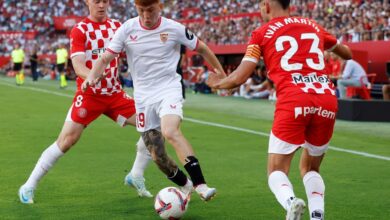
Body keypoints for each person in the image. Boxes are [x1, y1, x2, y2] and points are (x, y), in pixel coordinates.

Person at [207, 0, 352, 219]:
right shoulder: (313, 25)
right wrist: (328, 45)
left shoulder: (261, 33)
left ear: (266, 5)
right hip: (326, 99)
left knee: (276, 170)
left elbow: (239, 77)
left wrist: (216, 82)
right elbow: (347, 53)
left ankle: (291, 202)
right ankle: (317, 214)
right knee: (311, 168)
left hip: (294, 99)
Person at [82, 0, 225, 201]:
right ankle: (186, 186)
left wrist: (221, 73)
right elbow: (105, 58)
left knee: (170, 130)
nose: (146, 16)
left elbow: (202, 48)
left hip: (168, 89)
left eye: (150, 10)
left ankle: (201, 185)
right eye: (141, 11)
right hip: (142, 98)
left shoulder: (174, 28)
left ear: (160, 7)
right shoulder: (127, 29)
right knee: (158, 156)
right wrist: (91, 76)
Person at [18, 0, 153, 204]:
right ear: (87, 2)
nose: (101, 5)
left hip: (115, 95)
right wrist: (90, 76)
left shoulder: (117, 26)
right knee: (66, 141)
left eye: (105, 1)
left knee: (153, 126)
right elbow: (78, 64)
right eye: (96, 1)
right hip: (89, 96)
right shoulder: (80, 30)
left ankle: (135, 174)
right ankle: (28, 186)